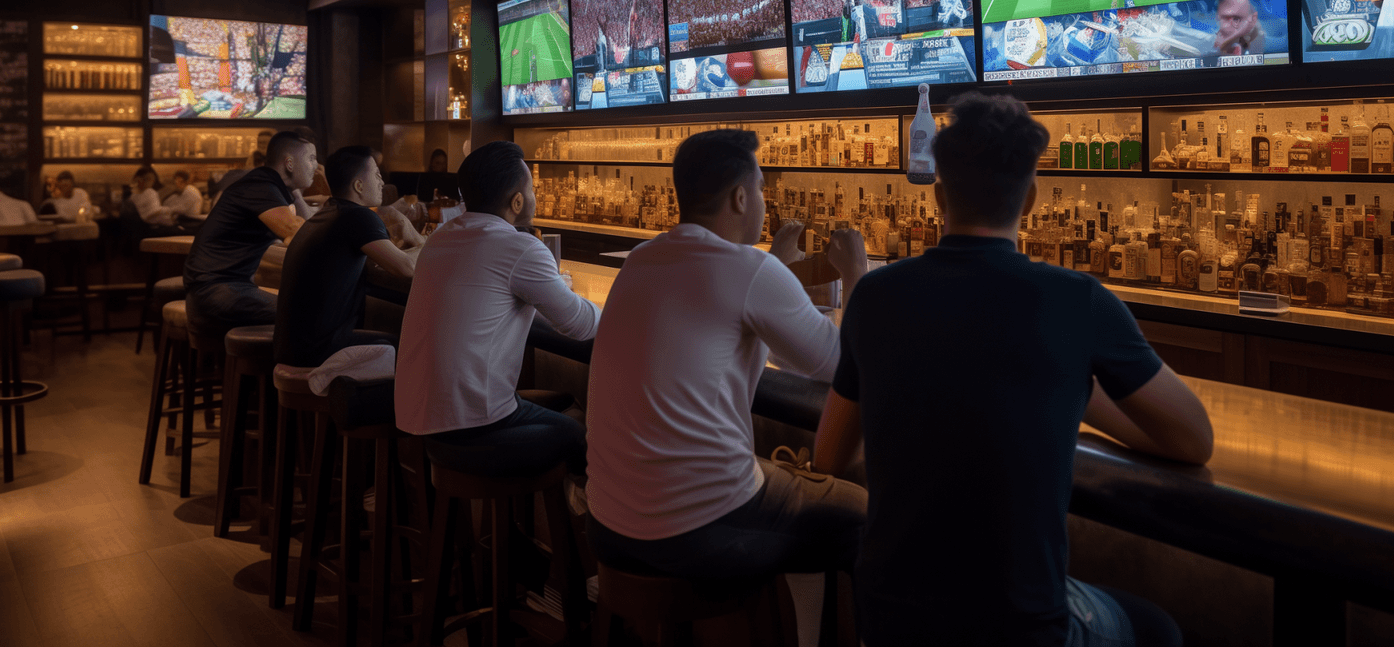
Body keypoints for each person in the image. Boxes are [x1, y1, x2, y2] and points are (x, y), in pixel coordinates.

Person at [813, 92, 1211, 647]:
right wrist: (1079, 392)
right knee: (1159, 629)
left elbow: (829, 457)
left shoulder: (874, 298)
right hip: (1024, 628)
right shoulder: (1077, 301)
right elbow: (1194, 439)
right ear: (1031, 201)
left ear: (939, 197)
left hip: (888, 621)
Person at [584, 128, 868, 585]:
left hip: (608, 525)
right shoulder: (750, 270)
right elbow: (844, 366)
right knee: (865, 515)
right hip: (697, 531)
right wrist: (856, 274)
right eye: (760, 187)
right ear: (739, 197)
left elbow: (736, 310)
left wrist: (772, 262)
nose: (763, 197)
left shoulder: (641, 258)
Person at [396, 141, 600, 476]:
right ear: (517, 202)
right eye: (531, 189)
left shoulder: (442, 237)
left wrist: (550, 288)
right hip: (472, 424)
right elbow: (579, 325)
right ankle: (590, 522)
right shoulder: (520, 246)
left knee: (558, 407)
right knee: (580, 434)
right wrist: (624, 308)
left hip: (419, 419)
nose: (534, 196)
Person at [275, 146, 416, 368]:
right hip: (318, 352)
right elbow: (408, 268)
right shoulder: (358, 216)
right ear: (358, 186)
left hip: (293, 348)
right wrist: (417, 238)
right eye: (377, 175)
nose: (382, 182)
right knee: (407, 347)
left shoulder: (329, 212)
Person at [184, 130, 319, 333]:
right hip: (214, 293)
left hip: (221, 289)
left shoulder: (269, 185)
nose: (317, 167)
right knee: (311, 313)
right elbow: (298, 232)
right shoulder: (261, 186)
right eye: (312, 159)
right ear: (289, 164)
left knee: (311, 308)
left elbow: (303, 224)